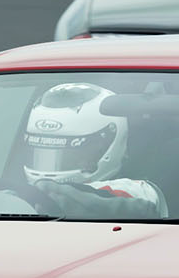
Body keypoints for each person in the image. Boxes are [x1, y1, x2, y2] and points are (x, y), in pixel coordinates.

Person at [15, 83, 165, 219]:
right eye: (40, 151)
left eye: (70, 155)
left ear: (106, 141)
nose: (48, 169)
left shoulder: (137, 195)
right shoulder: (23, 197)